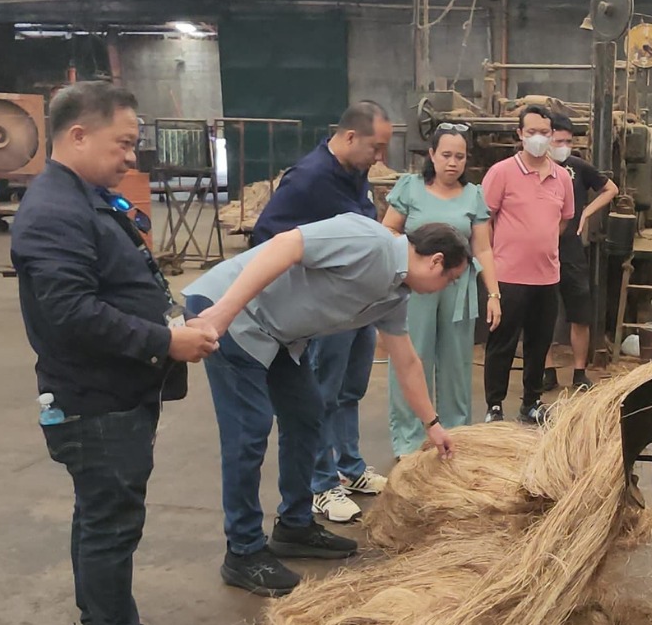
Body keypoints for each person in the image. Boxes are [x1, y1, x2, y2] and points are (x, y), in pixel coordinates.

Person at [10, 80, 218, 625]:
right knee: (110, 526)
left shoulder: (85, 197)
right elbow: (70, 313)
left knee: (98, 519)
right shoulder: (54, 212)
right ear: (78, 135)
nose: (131, 157)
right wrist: (165, 342)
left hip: (115, 395)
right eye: (122, 143)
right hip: (94, 402)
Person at [185, 215, 470, 597]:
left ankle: (295, 526)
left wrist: (433, 425)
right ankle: (243, 551)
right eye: (449, 280)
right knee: (248, 433)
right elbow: (288, 243)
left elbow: (406, 361)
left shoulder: (393, 294)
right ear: (435, 261)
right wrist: (224, 311)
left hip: (279, 336)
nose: (442, 288)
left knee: (306, 417)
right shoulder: (371, 241)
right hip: (233, 316)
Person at [250, 100, 394, 526]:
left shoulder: (355, 173)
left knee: (350, 389)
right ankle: (321, 483)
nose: (380, 157)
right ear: (350, 137)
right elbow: (267, 238)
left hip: (357, 304)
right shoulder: (309, 179)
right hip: (327, 306)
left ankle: (349, 466)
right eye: (376, 147)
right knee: (321, 395)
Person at [381, 125, 502, 456]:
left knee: (456, 365)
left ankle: (455, 434)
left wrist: (493, 293)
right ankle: (407, 441)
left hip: (458, 287)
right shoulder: (410, 188)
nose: (453, 163)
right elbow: (388, 229)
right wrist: (411, 258)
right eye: (446, 155)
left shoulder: (473, 195)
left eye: (460, 156)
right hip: (416, 285)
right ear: (431, 154)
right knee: (411, 356)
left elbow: (484, 250)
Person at [481, 105, 574, 423]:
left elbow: (562, 221)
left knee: (539, 344)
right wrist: (499, 256)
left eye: (544, 133)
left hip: (547, 277)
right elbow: (484, 220)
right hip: (509, 275)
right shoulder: (501, 172)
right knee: (502, 343)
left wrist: (540, 244)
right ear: (519, 134)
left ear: (552, 136)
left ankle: (531, 402)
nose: (538, 138)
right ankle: (494, 406)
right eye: (531, 132)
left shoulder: (562, 178)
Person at [546, 110, 617, 392]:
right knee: (542, 315)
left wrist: (586, 212)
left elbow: (610, 188)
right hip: (541, 252)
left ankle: (579, 372)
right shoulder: (534, 169)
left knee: (580, 313)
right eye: (557, 140)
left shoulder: (578, 167)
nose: (563, 146)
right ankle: (547, 371)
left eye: (568, 141)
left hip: (572, 251)